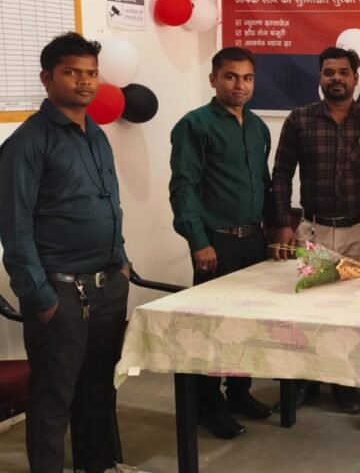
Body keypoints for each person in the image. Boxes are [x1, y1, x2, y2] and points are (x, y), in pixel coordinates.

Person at [0, 32, 142, 473]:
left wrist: (120, 262)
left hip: (106, 285)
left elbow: (110, 204)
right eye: (71, 72)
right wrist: (40, 297)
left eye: (91, 73)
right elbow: (15, 228)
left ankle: (97, 466)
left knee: (98, 388)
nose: (84, 81)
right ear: (47, 78)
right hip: (59, 292)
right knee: (53, 397)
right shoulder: (27, 143)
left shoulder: (95, 135)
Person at [270, 46, 360, 414]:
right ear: (320, 78)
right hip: (315, 230)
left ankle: (345, 383)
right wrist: (283, 224)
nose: (336, 78)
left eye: (343, 72)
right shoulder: (300, 120)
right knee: (310, 311)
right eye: (329, 72)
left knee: (355, 312)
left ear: (356, 78)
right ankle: (306, 380)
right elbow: (282, 173)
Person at [169, 46, 274, 440]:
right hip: (216, 244)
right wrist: (198, 241)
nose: (239, 85)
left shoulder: (258, 127)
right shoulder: (194, 125)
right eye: (231, 77)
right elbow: (183, 187)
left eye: (247, 78)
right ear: (213, 79)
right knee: (210, 328)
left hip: (254, 242)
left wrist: (274, 231)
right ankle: (208, 406)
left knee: (246, 325)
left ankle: (239, 393)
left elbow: (263, 183)